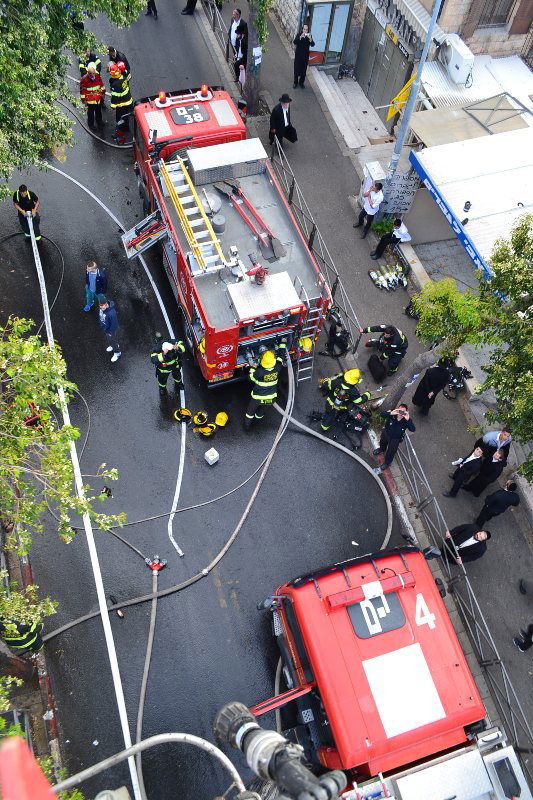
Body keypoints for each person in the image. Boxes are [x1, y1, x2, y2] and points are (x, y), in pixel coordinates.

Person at [245, 343, 286, 430]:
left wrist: (253, 367)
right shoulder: (277, 369)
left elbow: (250, 378)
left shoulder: (259, 372)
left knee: (250, 413)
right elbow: (281, 357)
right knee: (260, 413)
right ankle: (256, 422)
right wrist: (282, 344)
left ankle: (247, 427)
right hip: (270, 399)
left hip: (257, 398)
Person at [374, 404, 415, 473]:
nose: (401, 413)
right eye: (400, 411)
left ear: (406, 412)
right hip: (386, 433)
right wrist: (390, 413)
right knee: (382, 442)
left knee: (391, 452)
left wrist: (408, 419)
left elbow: (412, 429)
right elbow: (382, 414)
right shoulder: (392, 414)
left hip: (395, 439)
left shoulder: (406, 420)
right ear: (397, 409)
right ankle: (381, 449)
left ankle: (387, 463)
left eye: (403, 412)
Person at [425, 525, 491, 565]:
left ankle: (446, 560)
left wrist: (463, 559)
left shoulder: (482, 549)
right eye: (479, 534)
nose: (478, 536)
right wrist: (451, 532)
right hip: (452, 543)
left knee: (449, 558)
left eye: (481, 537)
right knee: (444, 549)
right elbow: (460, 528)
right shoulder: (473, 527)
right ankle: (438, 552)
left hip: (459, 554)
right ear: (480, 531)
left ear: (483, 540)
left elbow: (473, 557)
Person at [109, 62, 133, 142]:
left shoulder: (116, 84)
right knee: (126, 117)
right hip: (129, 102)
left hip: (121, 105)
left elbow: (115, 97)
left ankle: (119, 135)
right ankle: (126, 128)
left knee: (119, 120)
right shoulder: (123, 77)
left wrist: (113, 105)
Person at [80, 63, 105, 129]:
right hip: (90, 101)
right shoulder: (84, 79)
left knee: (98, 112)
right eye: (91, 74)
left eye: (94, 73)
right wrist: (83, 100)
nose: (93, 75)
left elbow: (101, 85)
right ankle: (91, 125)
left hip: (97, 99)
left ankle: (99, 121)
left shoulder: (97, 76)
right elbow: (82, 90)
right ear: (88, 73)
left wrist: (103, 93)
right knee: (90, 114)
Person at [293, 24, 315, 89]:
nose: (305, 31)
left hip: (305, 57)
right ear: (302, 29)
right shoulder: (299, 35)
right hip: (298, 56)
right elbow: (295, 42)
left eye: (306, 29)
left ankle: (301, 83)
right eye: (304, 29)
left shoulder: (309, 36)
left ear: (308, 30)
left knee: (303, 71)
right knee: (296, 70)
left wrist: (310, 39)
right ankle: (295, 83)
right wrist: (300, 37)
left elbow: (313, 44)